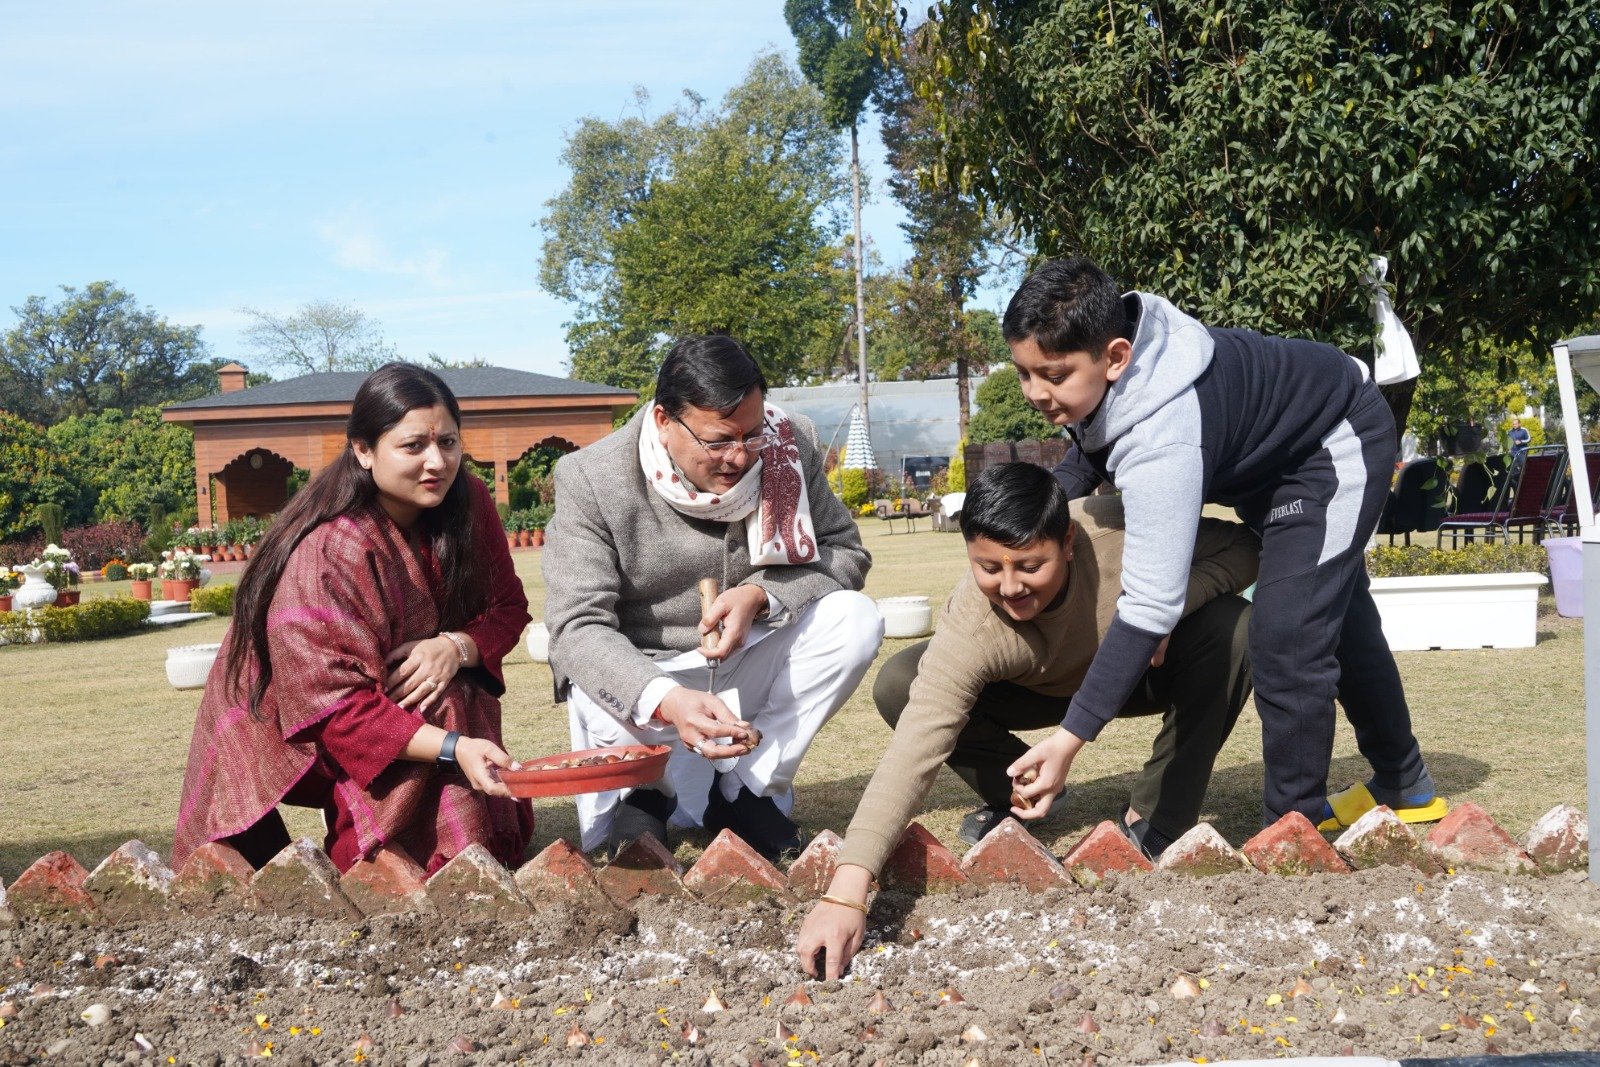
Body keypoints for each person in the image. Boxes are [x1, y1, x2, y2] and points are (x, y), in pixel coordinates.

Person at [998, 257, 1451, 834]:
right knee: (1334, 615)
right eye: (1024, 373)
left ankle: (1292, 832)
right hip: (1270, 463)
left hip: (1333, 441)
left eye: (1053, 376)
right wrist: (1026, 517)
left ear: (1116, 357)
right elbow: (1090, 447)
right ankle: (1403, 779)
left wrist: (1071, 735)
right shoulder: (1107, 360)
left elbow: (1150, 605)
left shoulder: (1164, 432)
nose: (1036, 393)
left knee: (1286, 637)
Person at [795, 463, 1256, 979]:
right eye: (989, 567)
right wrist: (847, 892)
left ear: (1069, 542)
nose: (1010, 587)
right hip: (1029, 691)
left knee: (1235, 627)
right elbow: (914, 749)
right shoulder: (972, 622)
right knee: (902, 682)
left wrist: (1164, 607)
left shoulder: (1116, 532)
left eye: (1030, 566)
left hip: (1134, 674)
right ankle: (1026, 792)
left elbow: (1247, 548)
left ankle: (1158, 818)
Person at [173, 363, 534, 875]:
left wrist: (455, 647)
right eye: (413, 446)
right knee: (441, 713)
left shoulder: (470, 500)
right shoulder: (328, 551)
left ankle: (471, 863)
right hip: (289, 719)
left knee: (453, 694)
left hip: (379, 698)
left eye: (449, 442)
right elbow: (337, 710)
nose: (437, 462)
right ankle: (383, 869)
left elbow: (507, 608)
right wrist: (454, 748)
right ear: (364, 451)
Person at [544, 335, 883, 861]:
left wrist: (761, 596)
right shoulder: (591, 476)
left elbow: (845, 552)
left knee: (854, 619)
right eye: (719, 440)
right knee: (590, 663)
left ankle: (747, 786)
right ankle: (644, 793)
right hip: (644, 677)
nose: (740, 456)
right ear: (662, 420)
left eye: (752, 434)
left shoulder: (790, 443)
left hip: (749, 653)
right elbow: (576, 626)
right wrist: (666, 698)